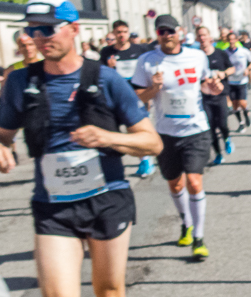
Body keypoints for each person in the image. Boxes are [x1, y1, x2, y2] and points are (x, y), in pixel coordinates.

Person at [0, 0, 162, 297]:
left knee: (109, 294)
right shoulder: (20, 83)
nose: (38, 37)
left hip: (106, 198)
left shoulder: (108, 79)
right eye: (31, 30)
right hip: (53, 205)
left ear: (74, 29)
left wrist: (108, 137)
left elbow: (151, 143)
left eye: (47, 29)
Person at [132, 16, 213, 261]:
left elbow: (206, 85)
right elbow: (139, 98)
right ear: (157, 34)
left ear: (180, 32)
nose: (167, 35)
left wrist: (214, 88)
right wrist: (154, 88)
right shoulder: (147, 61)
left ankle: (198, 238)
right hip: (166, 133)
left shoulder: (197, 57)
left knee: (194, 182)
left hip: (196, 129)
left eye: (171, 31)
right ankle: (186, 223)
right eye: (162, 31)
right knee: (175, 184)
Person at [99, 20, 156, 177]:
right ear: (114, 34)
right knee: (126, 131)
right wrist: (110, 67)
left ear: (128, 32)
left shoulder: (139, 50)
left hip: (138, 94)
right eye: (118, 32)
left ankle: (146, 160)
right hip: (117, 95)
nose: (121, 35)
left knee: (139, 127)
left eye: (124, 31)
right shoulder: (106, 52)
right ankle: (142, 158)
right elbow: (100, 74)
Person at [195, 25, 235, 165]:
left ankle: (227, 138)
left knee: (222, 124)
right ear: (196, 38)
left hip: (220, 95)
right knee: (210, 127)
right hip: (204, 97)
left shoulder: (220, 53)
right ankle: (218, 153)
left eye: (204, 35)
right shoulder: (195, 56)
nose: (202, 38)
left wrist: (223, 73)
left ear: (210, 37)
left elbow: (232, 68)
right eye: (199, 36)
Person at [226, 30, 251, 132]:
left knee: (242, 103)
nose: (231, 41)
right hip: (230, 81)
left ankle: (247, 114)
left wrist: (248, 69)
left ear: (236, 40)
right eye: (229, 40)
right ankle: (241, 123)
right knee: (235, 105)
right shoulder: (225, 53)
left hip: (242, 81)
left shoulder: (243, 51)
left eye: (233, 39)